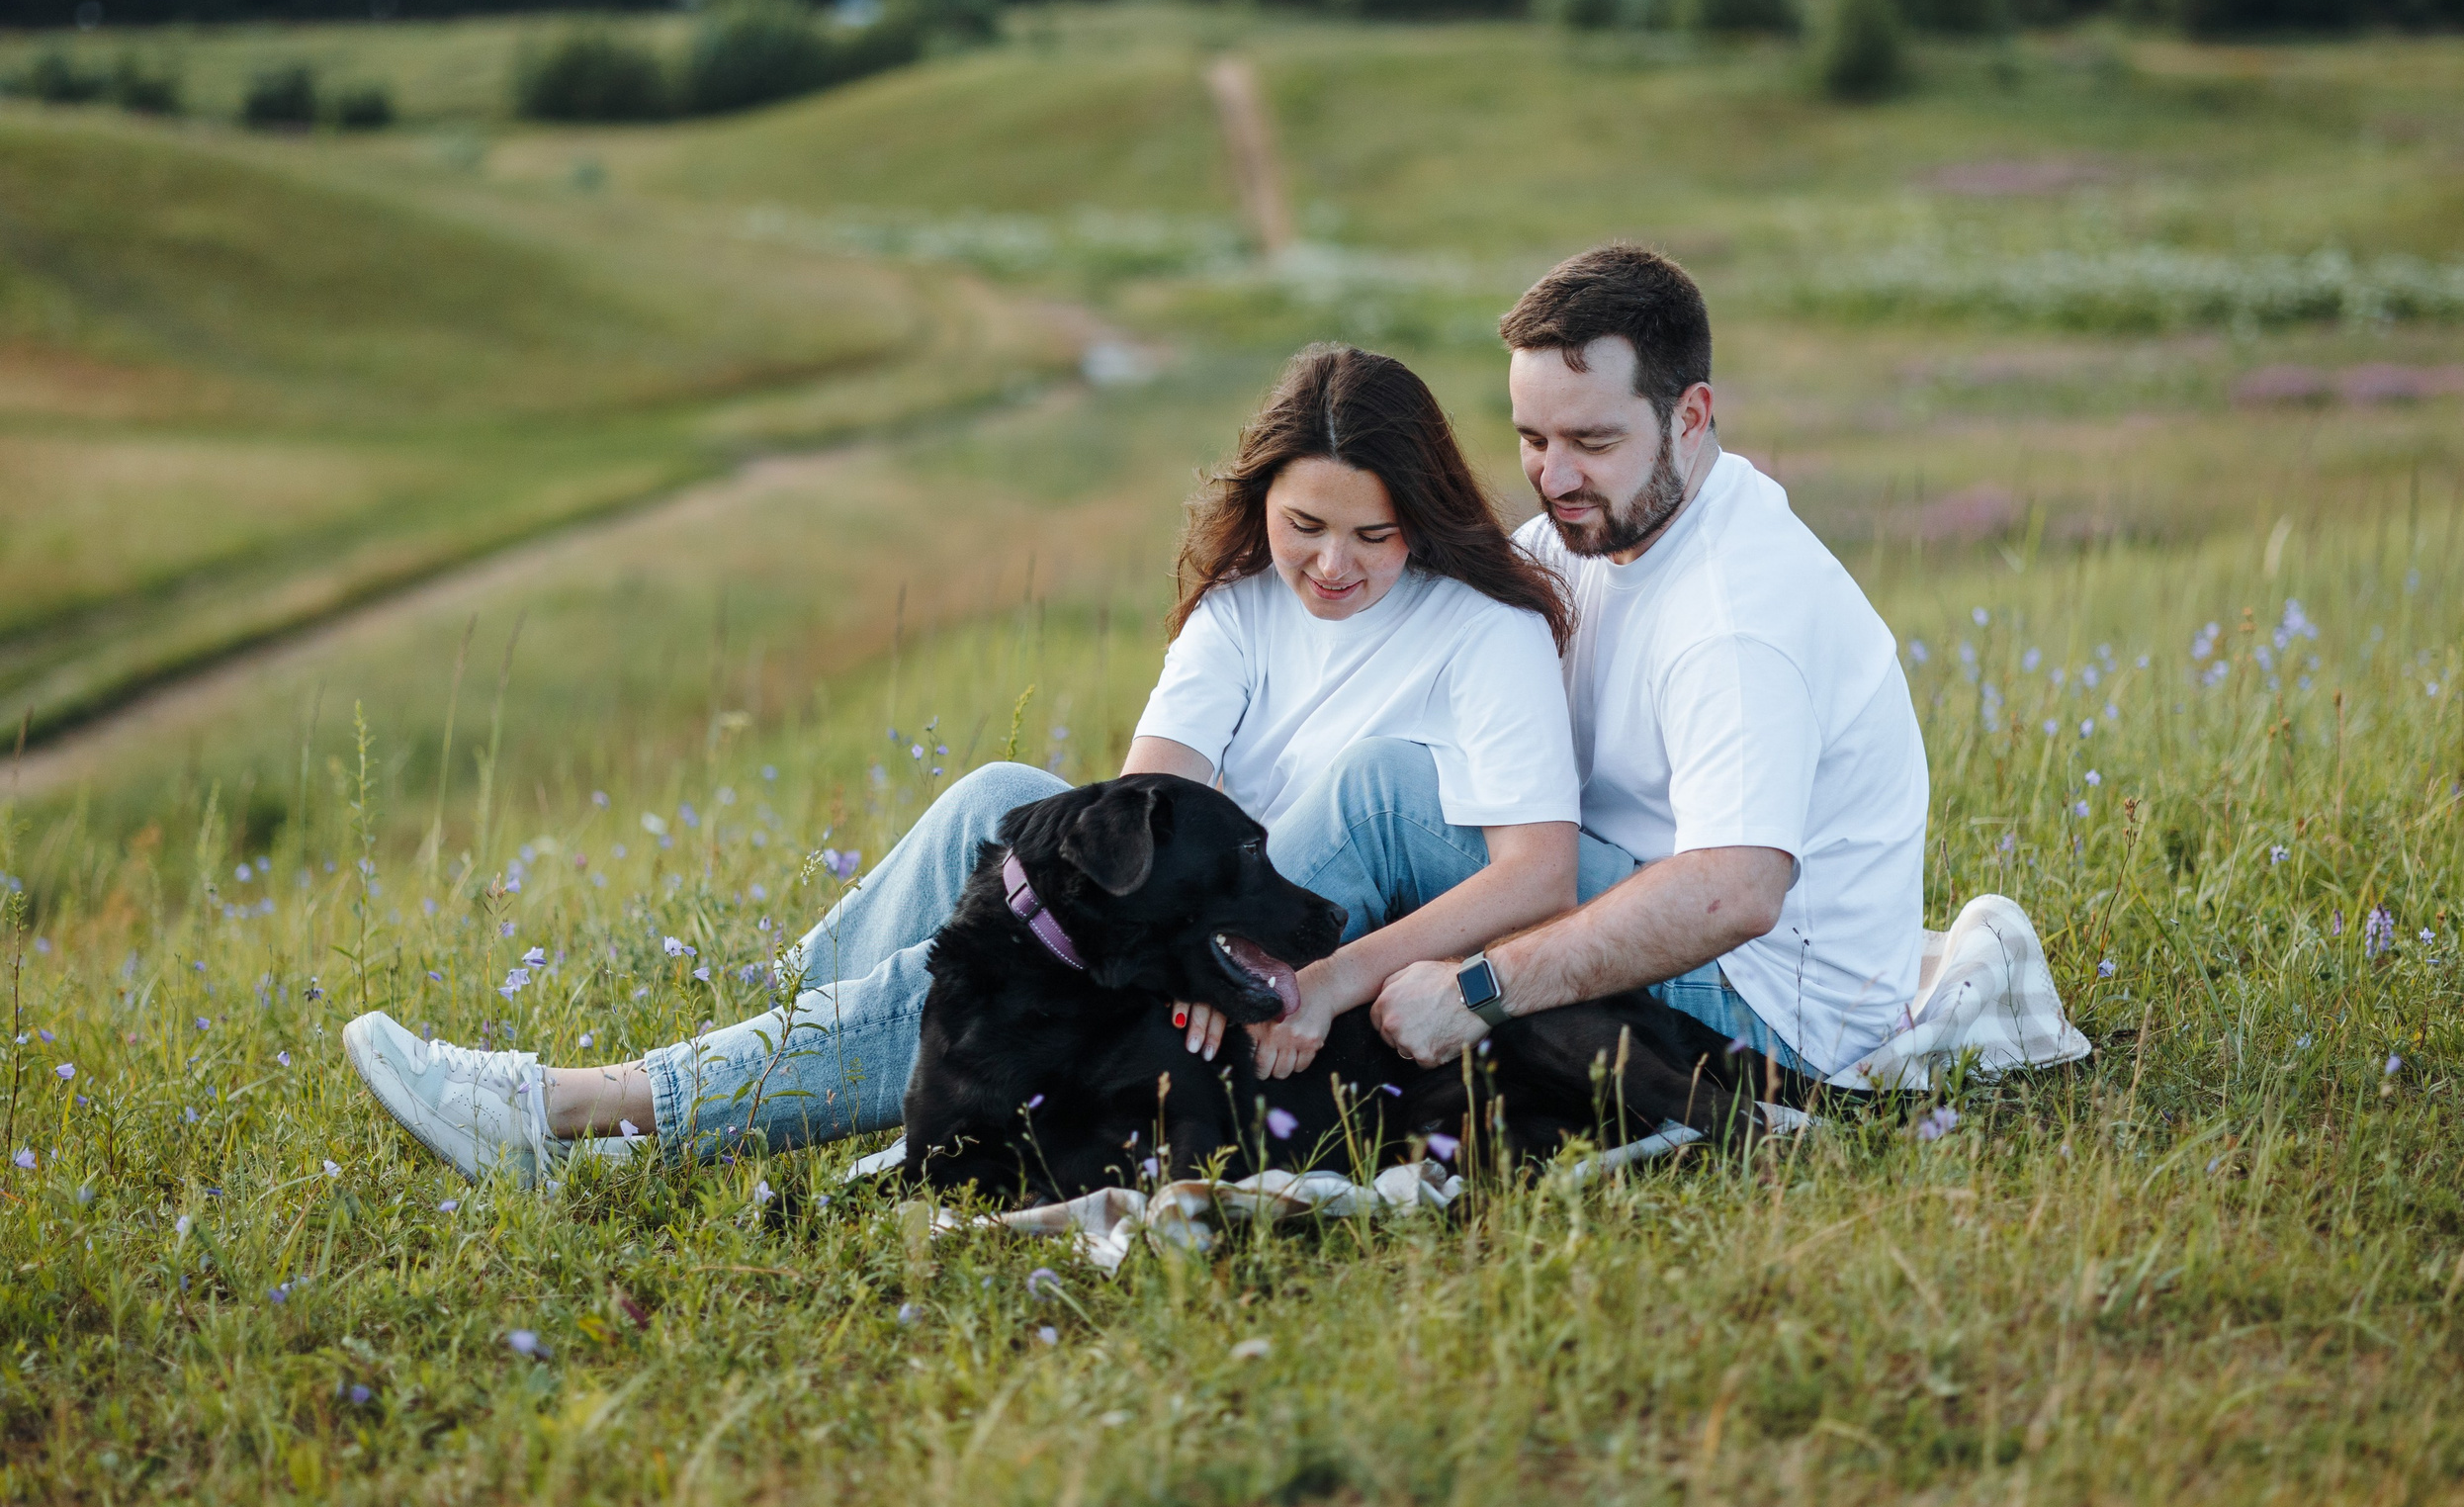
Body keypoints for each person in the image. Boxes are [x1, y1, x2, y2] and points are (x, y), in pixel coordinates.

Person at [343, 344, 1588, 1180]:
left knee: (995, 965)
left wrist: (1298, 977)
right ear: (1260, 500)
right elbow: (1134, 816)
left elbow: (1539, 876)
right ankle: (767, 1041)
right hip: (1195, 941)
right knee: (998, 803)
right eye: (1302, 524)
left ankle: (579, 1109)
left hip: (1301, 950)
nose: (1332, 564)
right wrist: (1183, 946)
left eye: (1372, 535)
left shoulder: (1483, 628)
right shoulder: (1241, 609)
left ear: (1422, 515)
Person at [1363, 243, 1931, 1080]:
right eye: (1531, 437)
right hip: (1663, 913)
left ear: (1690, 417)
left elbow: (1734, 892)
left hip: (1778, 1016)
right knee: (1388, 765)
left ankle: (1174, 1031)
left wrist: (1476, 991)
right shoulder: (1598, 529)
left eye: (1591, 439)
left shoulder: (1735, 616)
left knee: (1384, 798)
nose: (1554, 476)